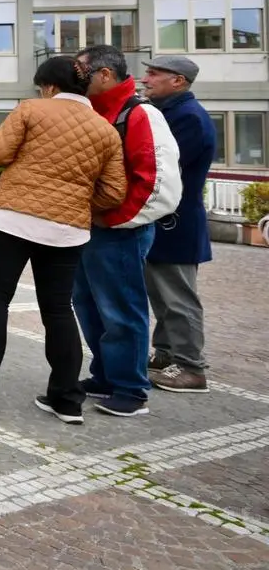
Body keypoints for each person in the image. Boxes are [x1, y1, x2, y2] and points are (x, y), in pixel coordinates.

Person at [0, 56, 128, 424]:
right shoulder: (105, 130)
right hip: (68, 229)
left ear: (49, 87)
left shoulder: (31, 109)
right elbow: (115, 191)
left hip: (14, 220)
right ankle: (67, 398)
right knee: (57, 309)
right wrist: (75, 203)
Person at [73, 44, 182, 418]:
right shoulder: (96, 112)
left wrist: (115, 220)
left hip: (119, 230)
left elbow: (156, 181)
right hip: (92, 227)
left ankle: (131, 388)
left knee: (121, 309)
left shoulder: (140, 115)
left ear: (105, 75)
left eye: (82, 72)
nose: (76, 79)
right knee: (88, 305)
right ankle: (106, 375)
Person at [139, 55, 215, 394]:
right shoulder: (171, 113)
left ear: (178, 81)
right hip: (167, 219)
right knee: (162, 292)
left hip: (178, 222)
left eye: (154, 74)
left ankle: (190, 367)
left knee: (178, 296)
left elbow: (164, 167)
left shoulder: (188, 118)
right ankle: (167, 355)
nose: (146, 78)